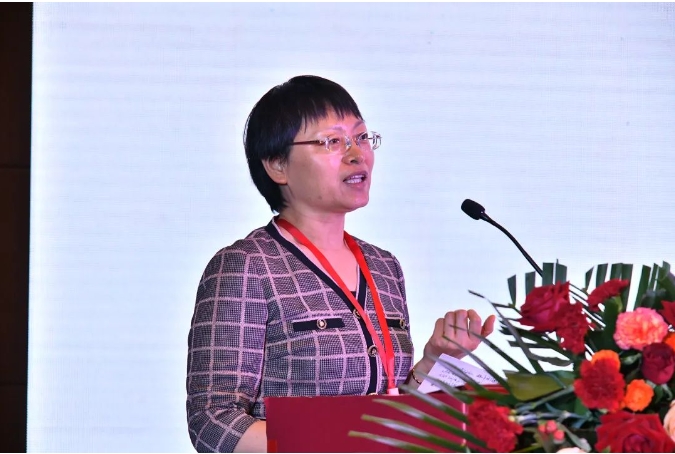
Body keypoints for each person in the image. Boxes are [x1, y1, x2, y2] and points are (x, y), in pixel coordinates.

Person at [185, 75, 496, 453]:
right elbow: (213, 421)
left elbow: (389, 410)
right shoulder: (246, 266)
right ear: (278, 166)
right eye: (332, 141)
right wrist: (333, 444)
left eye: (361, 137)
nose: (356, 154)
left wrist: (433, 360)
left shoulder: (384, 267)